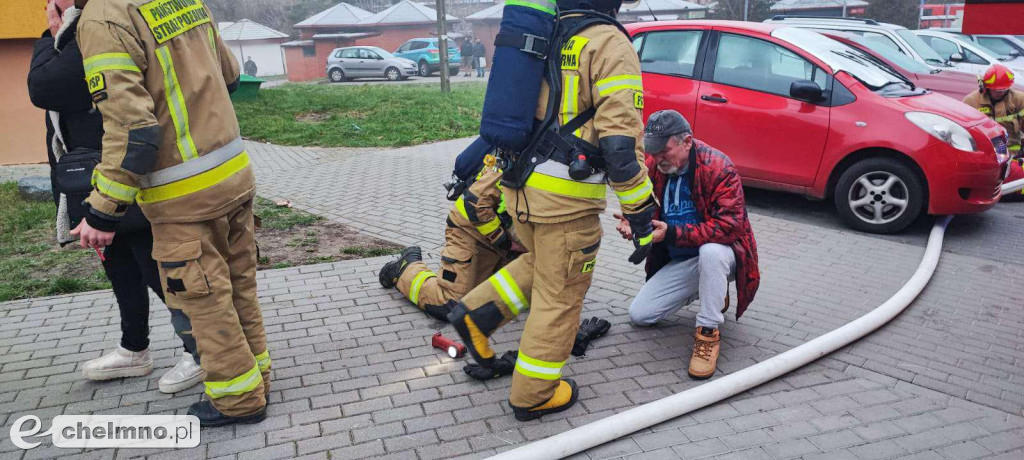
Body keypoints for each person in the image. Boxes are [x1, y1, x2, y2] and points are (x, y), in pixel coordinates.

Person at [448, 0, 655, 421]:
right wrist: (640, 212)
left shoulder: (547, 33)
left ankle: (474, 317)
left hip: (520, 191)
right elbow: (619, 147)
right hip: (566, 204)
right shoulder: (608, 43)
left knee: (540, 266)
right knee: (559, 298)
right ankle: (534, 394)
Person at [74, 0, 269, 427]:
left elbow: (134, 132)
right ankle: (258, 377)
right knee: (239, 288)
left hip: (184, 194)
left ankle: (238, 401)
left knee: (205, 300)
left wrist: (102, 212)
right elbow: (231, 77)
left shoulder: (104, 17)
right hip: (233, 173)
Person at [27, 0, 203, 395]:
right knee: (120, 265)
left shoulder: (92, 24)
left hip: (124, 168)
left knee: (154, 266)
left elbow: (46, 87)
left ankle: (201, 348)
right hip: (91, 169)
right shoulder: (79, 26)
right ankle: (134, 347)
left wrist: (47, 37)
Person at [621, 110, 760, 380]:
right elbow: (645, 208)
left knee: (711, 253)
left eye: (664, 151)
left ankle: (708, 333)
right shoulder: (655, 167)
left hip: (723, 255)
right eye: (654, 151)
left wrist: (671, 233)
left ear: (687, 142)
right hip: (684, 260)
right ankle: (713, 290)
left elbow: (730, 226)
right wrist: (633, 222)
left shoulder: (719, 167)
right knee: (640, 315)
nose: (658, 158)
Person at [379, 156, 517, 322]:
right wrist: (505, 240)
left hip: (504, 244)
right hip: (471, 234)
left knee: (510, 296)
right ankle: (406, 267)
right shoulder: (520, 160)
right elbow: (474, 203)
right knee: (452, 305)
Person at [962, 64, 1023, 199]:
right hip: (986, 157)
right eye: (997, 90)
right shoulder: (971, 102)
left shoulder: (1019, 99)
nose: (1001, 93)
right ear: (986, 87)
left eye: (1004, 89)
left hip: (1013, 155)